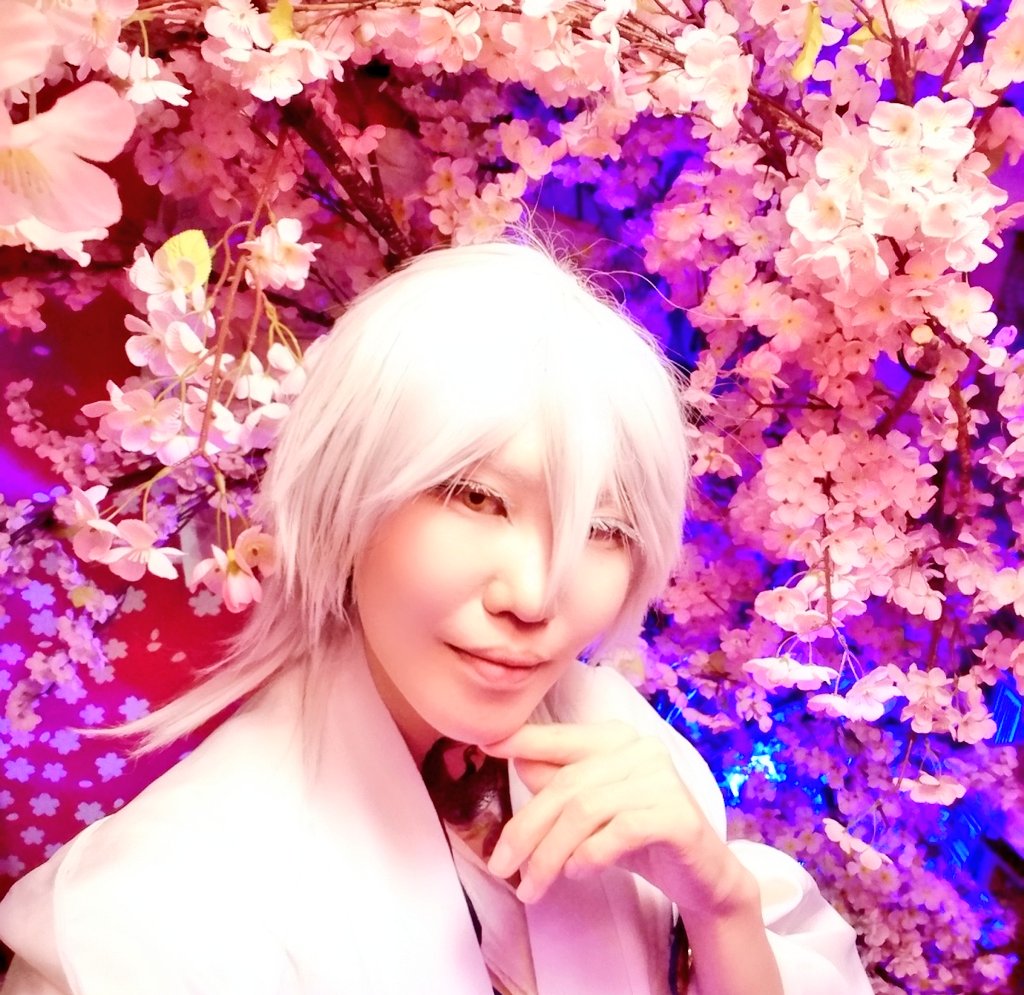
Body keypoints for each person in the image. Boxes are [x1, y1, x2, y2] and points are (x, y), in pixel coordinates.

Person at [0, 239, 873, 995]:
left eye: (603, 530)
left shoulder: (622, 745)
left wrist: (719, 907)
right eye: (476, 497)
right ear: (347, 496)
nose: (535, 595)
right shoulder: (157, 905)